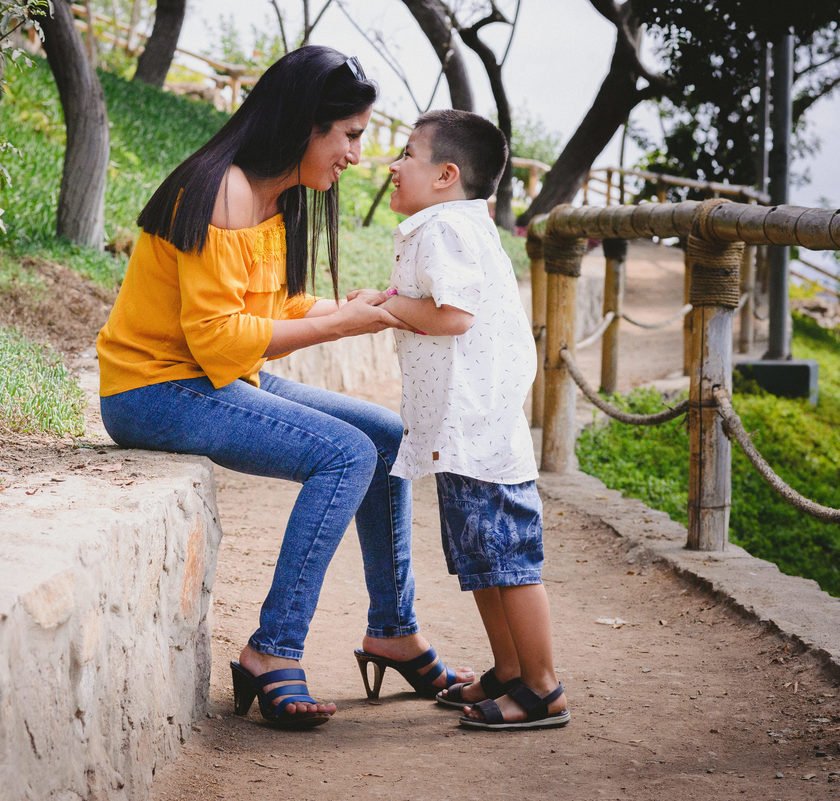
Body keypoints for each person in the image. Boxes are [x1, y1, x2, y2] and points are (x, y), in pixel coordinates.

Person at [95, 46, 471, 730]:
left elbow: (273, 309)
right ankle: (273, 649)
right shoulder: (223, 190)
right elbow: (215, 339)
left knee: (385, 438)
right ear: (306, 124)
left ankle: (394, 628)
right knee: (346, 454)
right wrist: (341, 328)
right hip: (155, 389)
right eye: (350, 134)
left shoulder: (273, 194)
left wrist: (353, 307)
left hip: (213, 376)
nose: (358, 155)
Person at [375, 109, 570, 730]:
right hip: (466, 433)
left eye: (407, 154)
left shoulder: (442, 230)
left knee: (509, 565)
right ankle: (510, 672)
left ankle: (542, 688)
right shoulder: (453, 224)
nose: (393, 164)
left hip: (478, 431)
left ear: (445, 175)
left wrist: (385, 307)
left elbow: (453, 315)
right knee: (485, 563)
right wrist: (389, 302)